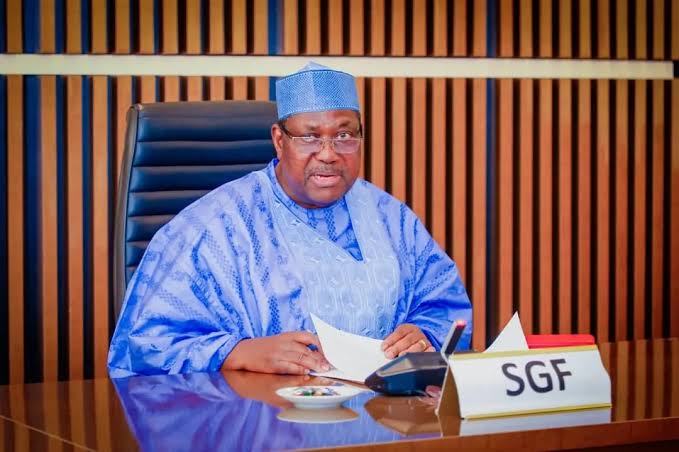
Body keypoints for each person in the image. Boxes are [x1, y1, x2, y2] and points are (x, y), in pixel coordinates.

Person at [108, 62, 472, 378]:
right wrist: (236, 353)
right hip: (259, 417)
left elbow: (445, 307)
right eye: (310, 137)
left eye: (344, 135)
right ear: (279, 141)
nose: (328, 154)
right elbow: (143, 345)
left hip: (381, 417)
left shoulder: (393, 219)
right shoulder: (211, 227)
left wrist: (423, 334)